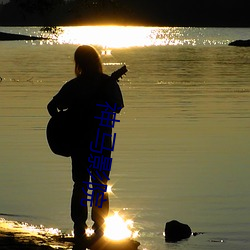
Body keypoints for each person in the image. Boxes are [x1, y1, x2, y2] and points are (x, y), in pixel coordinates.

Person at [47, 45, 124, 245]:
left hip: (78, 142)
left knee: (80, 184)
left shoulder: (74, 85)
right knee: (100, 185)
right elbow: (117, 107)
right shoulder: (107, 83)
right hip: (101, 142)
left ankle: (79, 229)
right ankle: (99, 230)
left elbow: (51, 106)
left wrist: (64, 121)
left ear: (79, 63)